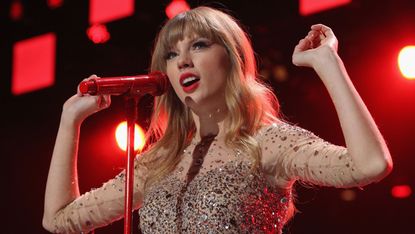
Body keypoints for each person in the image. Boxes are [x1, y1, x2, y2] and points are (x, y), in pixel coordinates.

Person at [42, 6, 392, 234]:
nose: (182, 62)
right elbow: (58, 220)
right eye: (171, 53)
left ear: (234, 58)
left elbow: (371, 164)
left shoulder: (268, 143)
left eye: (199, 46)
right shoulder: (157, 163)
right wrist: (68, 121)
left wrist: (328, 64)